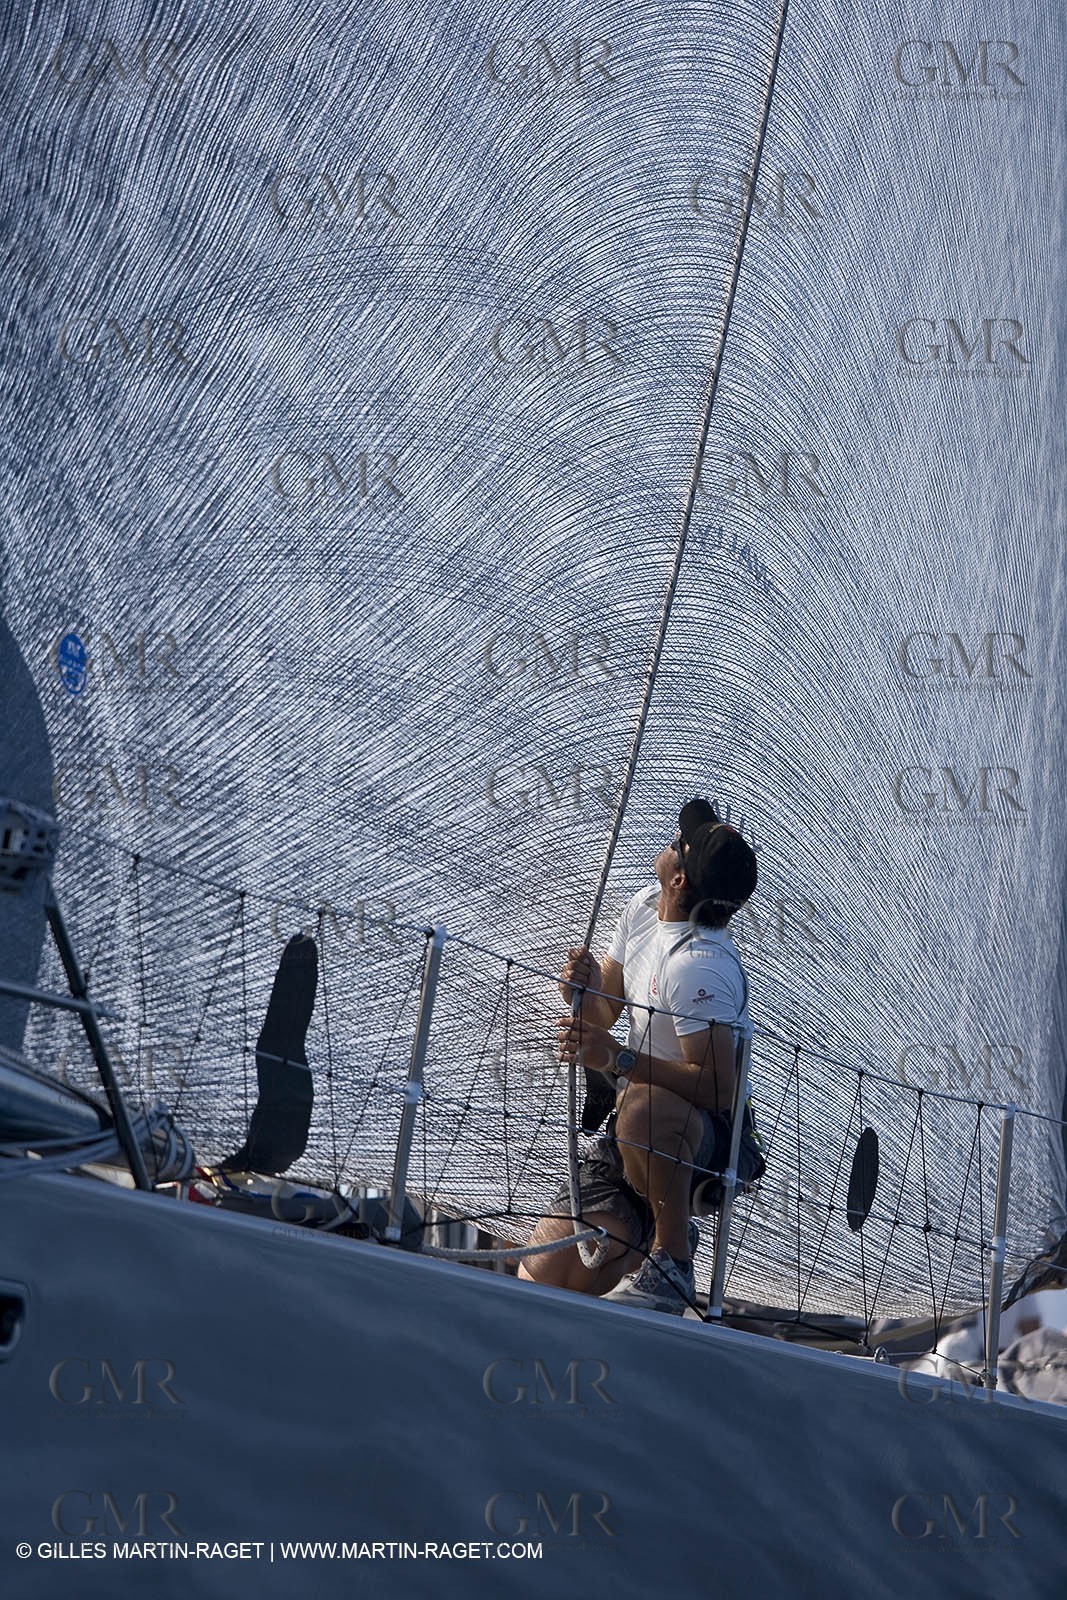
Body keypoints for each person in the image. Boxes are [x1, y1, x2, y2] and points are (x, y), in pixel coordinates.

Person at [518, 798, 763, 1314]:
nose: (670, 842)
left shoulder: (700, 966)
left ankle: (672, 1261)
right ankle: (650, 1233)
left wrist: (619, 1059)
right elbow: (606, 1008)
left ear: (680, 878)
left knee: (644, 1110)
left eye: (678, 844)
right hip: (636, 1134)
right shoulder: (645, 908)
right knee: (542, 1277)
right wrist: (578, 991)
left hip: (703, 1145)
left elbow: (720, 1089)